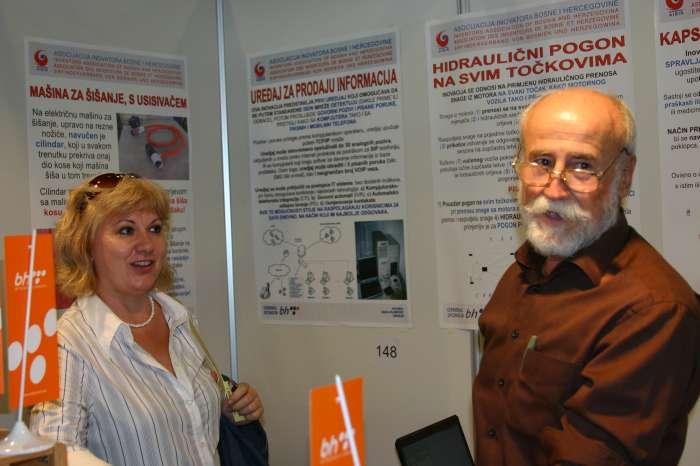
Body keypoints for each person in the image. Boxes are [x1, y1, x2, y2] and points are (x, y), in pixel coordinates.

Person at [473, 88, 700, 465]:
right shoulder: (525, 269)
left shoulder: (654, 311)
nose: (553, 188)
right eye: (541, 161)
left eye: (582, 166)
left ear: (624, 177)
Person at [31, 173, 264, 466]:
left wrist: (226, 410)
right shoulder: (66, 343)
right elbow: (55, 453)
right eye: (126, 230)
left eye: (154, 228)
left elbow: (180, 419)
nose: (146, 244)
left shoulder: (178, 318)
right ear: (86, 246)